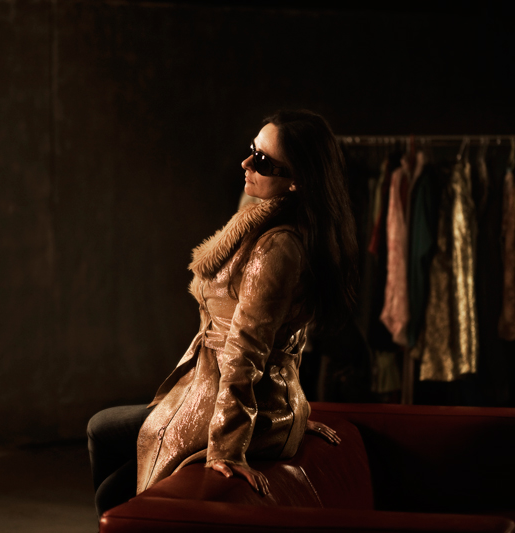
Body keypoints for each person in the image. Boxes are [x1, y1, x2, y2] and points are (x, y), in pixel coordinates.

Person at [87, 110, 359, 518]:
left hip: (239, 405)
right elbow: (288, 337)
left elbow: (248, 349)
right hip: (223, 389)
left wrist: (228, 447)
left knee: (106, 453)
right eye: (252, 150)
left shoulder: (278, 247)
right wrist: (296, 408)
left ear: (296, 181)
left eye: (263, 161)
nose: (246, 163)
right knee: (109, 465)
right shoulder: (273, 224)